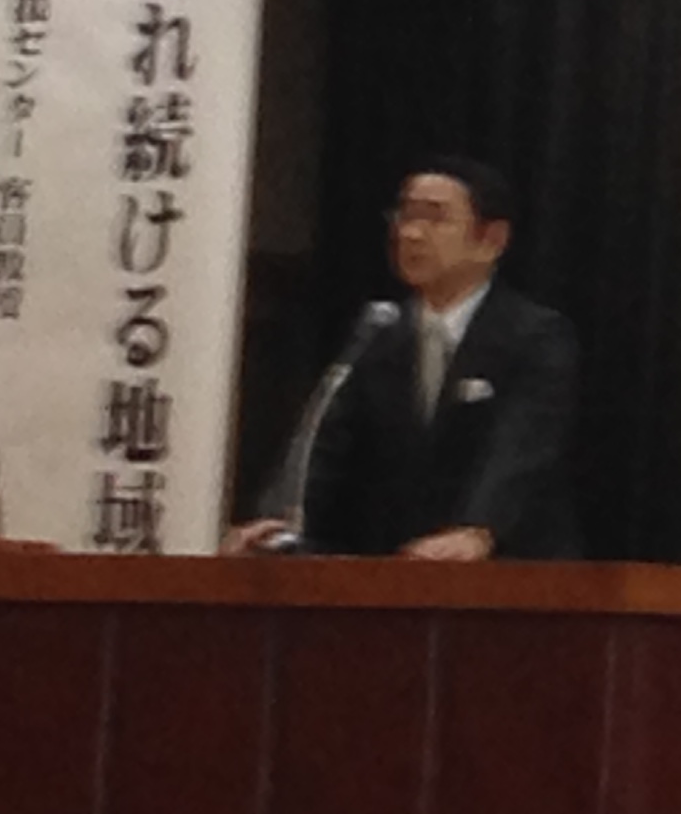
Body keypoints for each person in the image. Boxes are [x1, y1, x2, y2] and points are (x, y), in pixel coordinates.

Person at [222, 155, 581, 561]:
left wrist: (479, 529)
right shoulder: (380, 332)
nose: (410, 233)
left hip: (513, 568)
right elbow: (325, 439)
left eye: (435, 218)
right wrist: (278, 518)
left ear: (491, 239)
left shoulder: (536, 336)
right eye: (405, 215)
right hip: (404, 566)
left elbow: (521, 447)